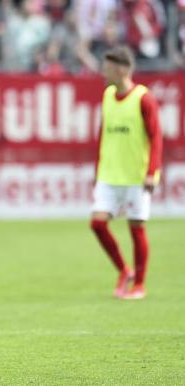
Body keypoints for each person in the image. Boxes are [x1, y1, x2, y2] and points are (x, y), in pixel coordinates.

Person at [90, 46, 162, 300]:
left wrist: (152, 172)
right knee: (97, 223)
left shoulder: (144, 98)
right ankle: (125, 270)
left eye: (106, 68)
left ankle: (139, 285)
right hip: (109, 175)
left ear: (121, 69)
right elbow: (103, 135)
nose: (103, 72)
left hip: (135, 175)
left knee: (136, 228)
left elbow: (155, 138)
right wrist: (97, 170)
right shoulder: (108, 95)